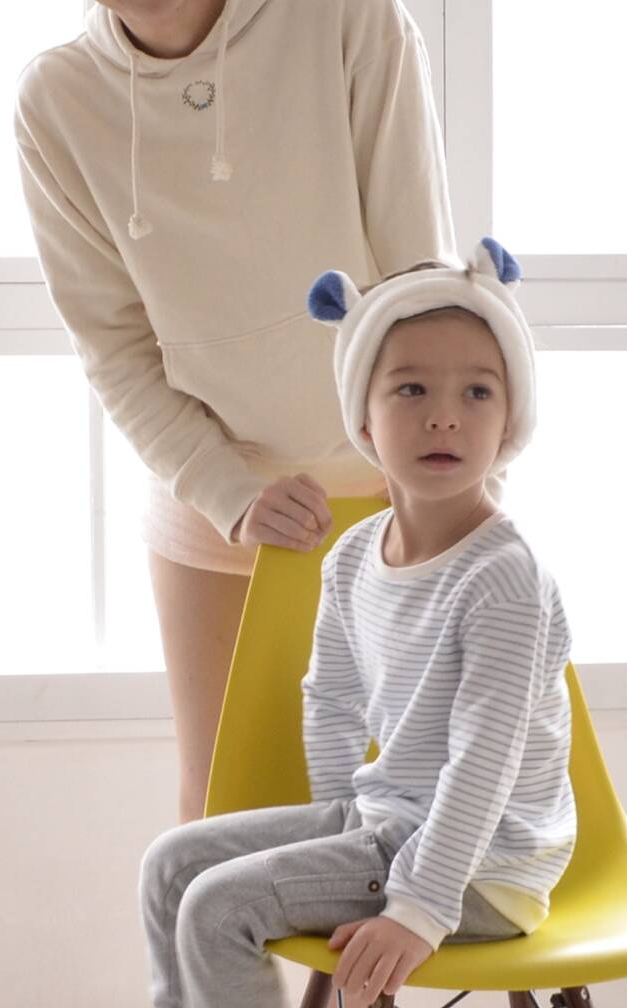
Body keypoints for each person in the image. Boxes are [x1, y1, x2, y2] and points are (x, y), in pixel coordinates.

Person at [0, 0, 457, 821]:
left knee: (413, 810)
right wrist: (230, 492)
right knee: (222, 813)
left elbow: (419, 269)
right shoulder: (57, 105)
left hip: (400, 486)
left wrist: (437, 478)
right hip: (217, 499)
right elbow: (114, 348)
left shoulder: (335, 1)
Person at [138, 237, 576, 1008]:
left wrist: (419, 908)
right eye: (411, 389)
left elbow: (485, 762)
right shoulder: (349, 559)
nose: (444, 417)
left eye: (478, 392)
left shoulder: (503, 579)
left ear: (511, 420)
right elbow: (333, 700)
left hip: (484, 866)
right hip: (385, 823)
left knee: (220, 907)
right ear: (364, 422)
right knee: (170, 868)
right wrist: (341, 836)